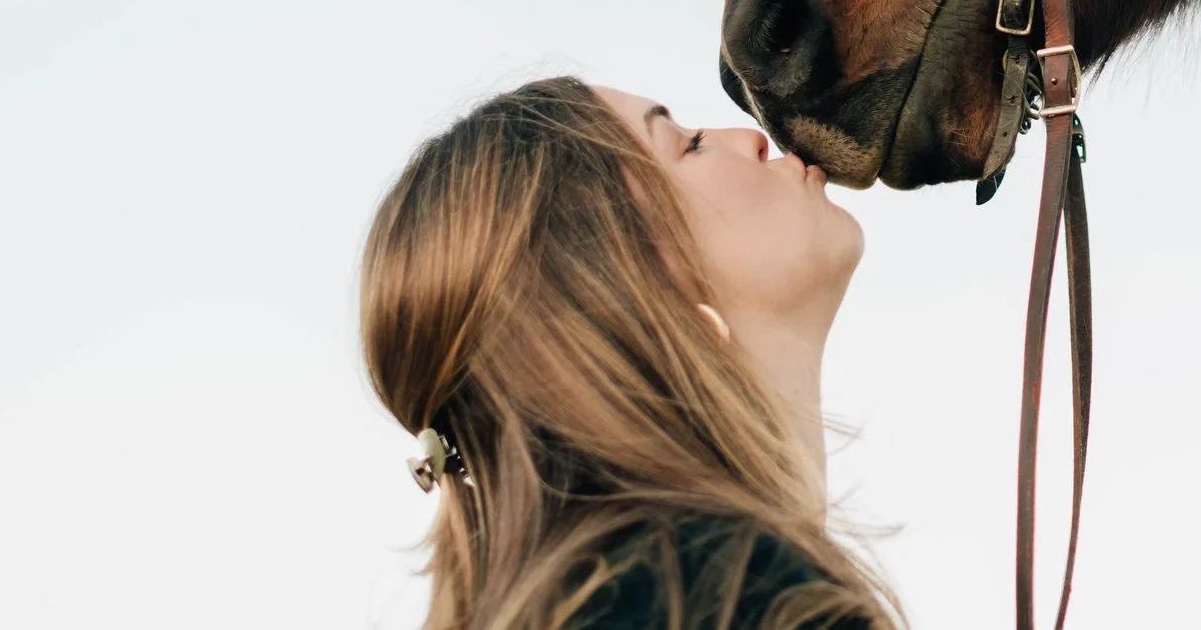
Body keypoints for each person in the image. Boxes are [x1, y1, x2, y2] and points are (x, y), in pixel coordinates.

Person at [361, 75, 897, 630]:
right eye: (689, 145)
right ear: (631, 285)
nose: (752, 136)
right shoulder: (729, 596)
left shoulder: (622, 593)